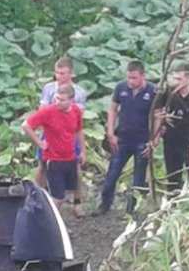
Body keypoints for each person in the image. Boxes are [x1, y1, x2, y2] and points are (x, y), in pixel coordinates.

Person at [98, 60, 157, 214]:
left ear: (143, 76)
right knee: (112, 174)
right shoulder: (121, 88)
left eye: (134, 78)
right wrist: (110, 132)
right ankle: (104, 205)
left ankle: (131, 211)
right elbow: (113, 109)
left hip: (142, 140)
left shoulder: (153, 91)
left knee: (138, 179)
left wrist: (154, 140)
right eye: (129, 77)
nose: (131, 81)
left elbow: (158, 117)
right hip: (122, 139)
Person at [23, 83, 85, 209]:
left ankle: (49, 214)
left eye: (62, 100)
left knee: (66, 193)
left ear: (71, 100)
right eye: (56, 98)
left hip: (70, 158)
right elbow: (26, 125)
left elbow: (78, 131)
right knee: (57, 197)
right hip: (54, 159)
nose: (58, 102)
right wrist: (39, 143)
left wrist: (83, 151)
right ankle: (44, 216)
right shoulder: (48, 111)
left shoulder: (76, 111)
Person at [33, 57, 88, 188]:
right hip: (49, 133)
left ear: (71, 73)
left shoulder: (79, 92)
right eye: (57, 73)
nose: (59, 76)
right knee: (42, 165)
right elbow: (42, 110)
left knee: (75, 167)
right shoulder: (49, 88)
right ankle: (36, 193)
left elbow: (78, 117)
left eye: (62, 73)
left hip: (69, 135)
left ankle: (76, 197)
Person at [156, 64, 189, 191]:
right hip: (171, 140)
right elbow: (156, 111)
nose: (176, 83)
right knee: (172, 176)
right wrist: (161, 121)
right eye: (174, 79)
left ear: (188, 78)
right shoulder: (168, 93)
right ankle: (172, 199)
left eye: (179, 79)